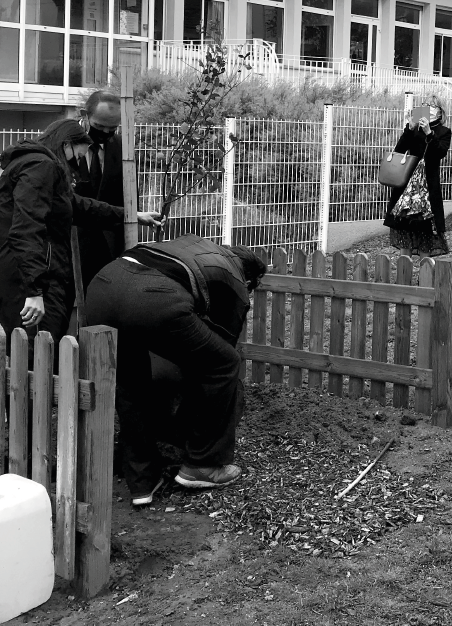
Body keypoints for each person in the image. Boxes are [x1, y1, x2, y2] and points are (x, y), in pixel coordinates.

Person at [85, 234, 267, 506]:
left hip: (103, 285)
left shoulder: (198, 246)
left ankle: (141, 483)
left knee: (131, 382)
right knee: (225, 363)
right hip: (152, 297)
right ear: (250, 279)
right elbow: (220, 349)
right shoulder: (236, 279)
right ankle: (202, 465)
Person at [0, 119, 162, 345]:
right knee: (36, 351)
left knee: (32, 352)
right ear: (66, 144)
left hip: (31, 274)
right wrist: (34, 291)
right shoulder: (41, 166)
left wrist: (132, 215)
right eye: (76, 157)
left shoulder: (35, 166)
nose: (76, 166)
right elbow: (27, 229)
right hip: (34, 279)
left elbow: (78, 206)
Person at [383, 93, 452, 257]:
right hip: (407, 188)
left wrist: (429, 133)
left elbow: (440, 152)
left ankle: (425, 274)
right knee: (405, 230)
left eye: (432, 106)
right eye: (425, 104)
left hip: (427, 189)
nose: (428, 108)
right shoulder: (415, 130)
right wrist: (409, 128)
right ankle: (403, 276)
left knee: (426, 233)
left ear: (440, 112)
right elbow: (398, 151)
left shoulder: (444, 132)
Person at [75, 90, 125, 291]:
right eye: (99, 126)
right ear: (84, 115)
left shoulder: (123, 147)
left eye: (112, 128)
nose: (105, 133)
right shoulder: (62, 145)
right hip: (72, 245)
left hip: (109, 249)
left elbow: (127, 197)